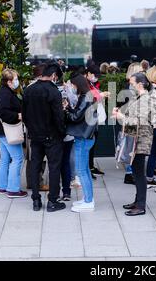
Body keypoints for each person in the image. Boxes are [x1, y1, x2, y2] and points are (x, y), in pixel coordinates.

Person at [22, 62, 67, 212]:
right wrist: (62, 132)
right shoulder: (54, 92)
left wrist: (32, 130)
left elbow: (25, 115)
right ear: (53, 76)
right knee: (54, 168)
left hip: (35, 136)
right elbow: (59, 117)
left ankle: (36, 200)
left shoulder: (28, 90)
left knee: (35, 167)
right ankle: (52, 201)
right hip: (52, 136)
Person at [112, 73, 154, 216]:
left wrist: (121, 116)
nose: (130, 86)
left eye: (132, 83)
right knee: (136, 172)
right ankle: (138, 201)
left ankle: (140, 205)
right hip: (135, 139)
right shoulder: (140, 98)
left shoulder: (145, 99)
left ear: (140, 84)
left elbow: (138, 121)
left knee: (139, 173)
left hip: (140, 141)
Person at [0, 69, 26, 199]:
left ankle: (3, 186)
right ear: (9, 81)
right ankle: (13, 190)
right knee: (18, 158)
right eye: (15, 79)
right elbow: (3, 112)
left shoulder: (3, 91)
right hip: (7, 131)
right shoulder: (6, 94)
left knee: (5, 159)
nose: (17, 82)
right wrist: (18, 115)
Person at [64, 74, 98, 213]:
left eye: (72, 85)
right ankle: (88, 198)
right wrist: (70, 109)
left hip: (83, 138)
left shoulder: (85, 97)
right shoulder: (87, 96)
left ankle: (89, 201)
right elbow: (79, 114)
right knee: (84, 170)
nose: (72, 87)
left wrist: (65, 110)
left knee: (82, 170)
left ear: (77, 85)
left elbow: (75, 117)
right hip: (86, 136)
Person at [25, 64, 48, 192]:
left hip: (32, 127)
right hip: (38, 127)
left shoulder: (29, 88)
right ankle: (37, 183)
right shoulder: (36, 88)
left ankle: (32, 182)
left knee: (32, 157)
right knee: (38, 157)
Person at [85, 65, 110, 177]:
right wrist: (100, 95)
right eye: (94, 75)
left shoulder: (91, 84)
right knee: (89, 145)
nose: (96, 78)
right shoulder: (85, 84)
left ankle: (90, 166)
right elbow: (89, 98)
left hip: (95, 118)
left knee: (93, 144)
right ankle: (88, 168)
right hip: (90, 119)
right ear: (88, 73)